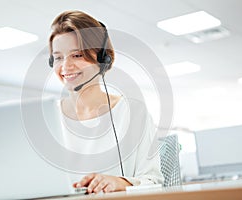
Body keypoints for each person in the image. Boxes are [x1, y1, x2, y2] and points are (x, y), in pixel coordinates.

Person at [48, 10, 164, 194]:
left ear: (103, 58)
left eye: (77, 55)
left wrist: (121, 183)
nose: (65, 66)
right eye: (58, 57)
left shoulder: (132, 112)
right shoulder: (48, 117)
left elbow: (154, 182)